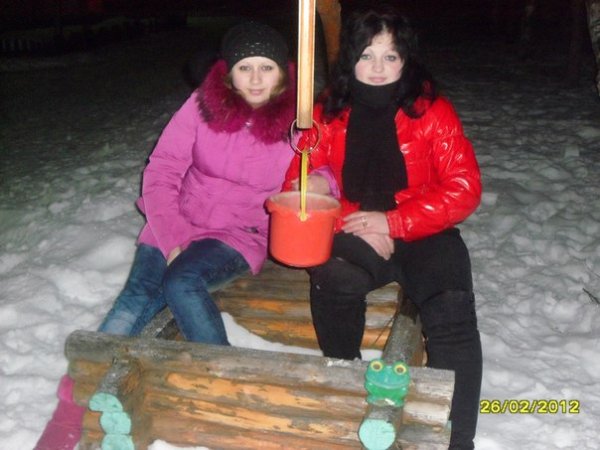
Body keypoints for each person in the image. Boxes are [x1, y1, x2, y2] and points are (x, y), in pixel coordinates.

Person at [34, 20, 296, 450]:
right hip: (177, 217)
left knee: (182, 280)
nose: (255, 78)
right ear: (228, 72)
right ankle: (69, 410)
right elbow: (162, 169)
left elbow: (321, 169)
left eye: (265, 67)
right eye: (244, 67)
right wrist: (173, 236)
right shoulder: (202, 105)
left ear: (283, 72)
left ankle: (223, 383)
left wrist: (320, 184)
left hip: (239, 231)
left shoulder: (299, 120)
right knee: (135, 298)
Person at [283, 7, 482, 450]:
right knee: (333, 280)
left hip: (425, 227)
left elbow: (464, 187)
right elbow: (296, 189)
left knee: (452, 312)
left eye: (390, 56)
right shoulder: (325, 113)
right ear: (350, 58)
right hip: (355, 225)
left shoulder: (431, 111)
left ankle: (459, 439)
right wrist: (338, 211)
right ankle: (349, 381)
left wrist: (394, 221)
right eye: (367, 55)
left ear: (406, 60)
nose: (377, 67)